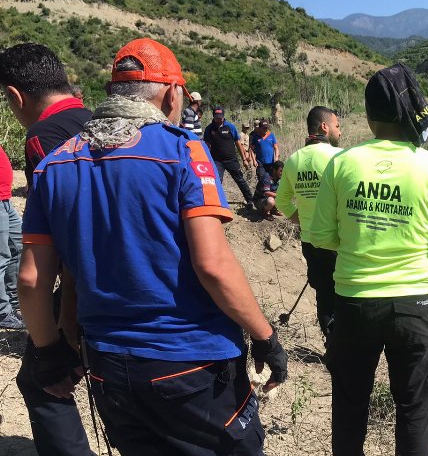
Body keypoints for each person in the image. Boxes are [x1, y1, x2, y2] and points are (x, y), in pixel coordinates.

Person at [18, 37, 288, 455]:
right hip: (191, 361)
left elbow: (34, 278)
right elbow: (213, 265)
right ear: (170, 93)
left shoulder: (54, 165)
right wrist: (266, 337)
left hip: (108, 365)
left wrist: (49, 351)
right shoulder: (183, 151)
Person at [310, 64, 428, 455]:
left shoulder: (342, 163)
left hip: (352, 306)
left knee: (349, 405)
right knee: (415, 408)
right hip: (414, 307)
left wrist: (363, 234)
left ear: (368, 117)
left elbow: (321, 237)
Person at [0, 42, 94, 455]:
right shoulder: (97, 121)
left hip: (86, 284)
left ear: (14, 96)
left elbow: (54, 244)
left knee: (43, 377)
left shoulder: (43, 139)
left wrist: (62, 323)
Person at [276, 106, 341, 337]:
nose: (339, 132)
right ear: (324, 127)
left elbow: (282, 201)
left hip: (310, 242)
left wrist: (302, 220)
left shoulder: (294, 160)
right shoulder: (339, 157)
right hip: (337, 243)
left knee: (323, 294)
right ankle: (345, 350)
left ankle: (330, 345)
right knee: (345, 294)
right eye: (337, 126)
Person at [203, 106, 254, 204]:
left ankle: (250, 200)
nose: (219, 119)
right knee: (216, 181)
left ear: (223, 116)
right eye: (217, 117)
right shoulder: (209, 129)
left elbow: (238, 143)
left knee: (240, 179)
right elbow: (207, 146)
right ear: (213, 116)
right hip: (217, 161)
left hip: (231, 159)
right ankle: (216, 202)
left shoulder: (230, 127)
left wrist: (244, 159)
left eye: (221, 117)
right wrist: (207, 161)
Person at [0, 144, 23, 330]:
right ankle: (2, 312)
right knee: (1, 256)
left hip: (5, 199)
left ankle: (16, 303)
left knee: (18, 245)